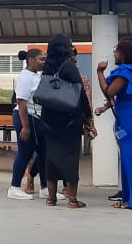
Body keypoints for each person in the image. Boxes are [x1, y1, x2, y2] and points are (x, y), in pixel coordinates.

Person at [95, 41, 132, 210]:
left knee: (131, 159)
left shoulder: (125, 72)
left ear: (124, 54)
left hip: (128, 121)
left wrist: (99, 72)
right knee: (128, 159)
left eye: (117, 51)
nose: (114, 54)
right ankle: (128, 198)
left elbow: (109, 92)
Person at [38, 35, 96, 208]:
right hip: (69, 117)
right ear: (65, 48)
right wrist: (88, 117)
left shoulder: (47, 67)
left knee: (51, 156)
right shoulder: (69, 67)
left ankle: (51, 198)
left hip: (48, 117)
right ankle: (72, 199)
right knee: (70, 156)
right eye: (70, 45)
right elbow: (80, 93)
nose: (72, 48)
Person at [8, 47, 45, 199]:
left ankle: (45, 188)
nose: (44, 62)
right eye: (41, 59)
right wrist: (25, 126)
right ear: (31, 60)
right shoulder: (25, 77)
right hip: (26, 117)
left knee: (44, 152)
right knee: (25, 153)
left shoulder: (36, 75)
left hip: (36, 118)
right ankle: (14, 187)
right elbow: (21, 101)